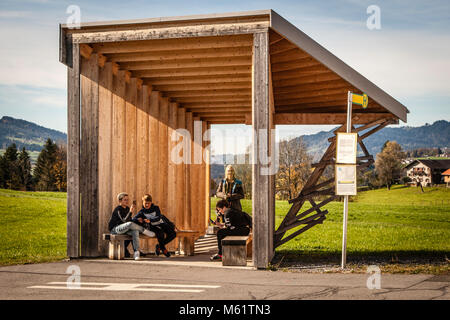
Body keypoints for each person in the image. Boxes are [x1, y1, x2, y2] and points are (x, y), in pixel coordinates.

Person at [108, 192, 155, 260]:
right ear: (120, 201)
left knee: (135, 231)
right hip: (115, 229)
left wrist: (137, 220)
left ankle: (136, 252)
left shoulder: (127, 208)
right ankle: (143, 230)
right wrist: (130, 212)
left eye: (127, 199)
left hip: (125, 229)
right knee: (130, 224)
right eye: (125, 200)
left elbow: (129, 221)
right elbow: (124, 221)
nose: (127, 201)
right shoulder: (118, 209)